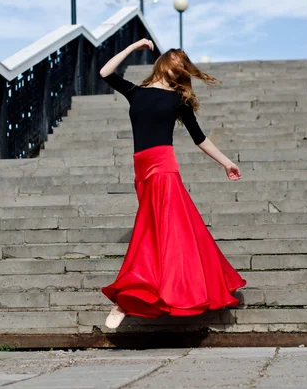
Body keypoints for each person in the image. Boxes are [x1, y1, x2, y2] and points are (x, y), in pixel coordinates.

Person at [99, 38, 247, 329]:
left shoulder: (178, 100)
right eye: (177, 61)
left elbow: (199, 137)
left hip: (163, 167)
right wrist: (133, 48)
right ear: (164, 62)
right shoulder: (135, 92)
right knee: (158, 232)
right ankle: (156, 291)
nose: (179, 66)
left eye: (183, 64)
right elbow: (105, 73)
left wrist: (226, 162)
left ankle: (125, 301)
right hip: (141, 169)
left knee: (154, 231)